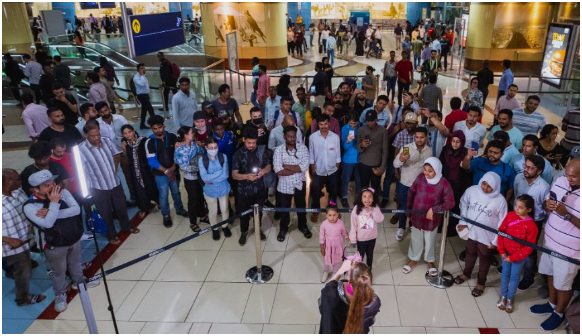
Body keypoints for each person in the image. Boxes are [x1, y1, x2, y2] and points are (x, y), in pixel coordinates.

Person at [22, 170, 99, 313]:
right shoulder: (30, 206)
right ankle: (60, 294)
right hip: (53, 245)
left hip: (72, 237)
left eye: (52, 183)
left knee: (75, 262)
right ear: (36, 189)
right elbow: (48, 224)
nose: (53, 187)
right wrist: (55, 204)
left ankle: (79, 282)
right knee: (58, 271)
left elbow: (76, 210)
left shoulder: (62, 192)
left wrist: (53, 211)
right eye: (46, 185)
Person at [531, 159, 580, 332]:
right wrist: (548, 205)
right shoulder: (560, 181)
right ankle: (551, 304)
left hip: (569, 251)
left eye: (573, 176)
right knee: (550, 275)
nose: (568, 178)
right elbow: (546, 202)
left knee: (563, 284)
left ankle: (559, 313)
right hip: (550, 241)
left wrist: (566, 215)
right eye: (567, 174)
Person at [79, 121, 140, 245]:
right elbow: (83, 173)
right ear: (86, 135)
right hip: (98, 187)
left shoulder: (106, 141)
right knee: (105, 212)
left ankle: (126, 226)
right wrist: (88, 191)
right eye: (93, 136)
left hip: (115, 182)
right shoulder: (81, 150)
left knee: (121, 207)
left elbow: (116, 154)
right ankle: (111, 234)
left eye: (98, 134)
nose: (97, 138)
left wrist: (114, 168)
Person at [454, 172, 508, 297]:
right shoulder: (472, 190)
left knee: (484, 258)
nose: (485, 188)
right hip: (471, 232)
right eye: (484, 183)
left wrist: (495, 241)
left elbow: (502, 223)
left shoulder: (500, 201)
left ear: (495, 187)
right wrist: (463, 221)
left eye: (489, 186)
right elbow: (463, 203)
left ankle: (481, 283)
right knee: (470, 253)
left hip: (487, 236)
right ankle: (466, 274)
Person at [2, 169, 47, 307]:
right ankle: (22, 299)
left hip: (26, 239)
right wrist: (9, 240)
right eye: (18, 179)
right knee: (24, 271)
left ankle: (14, 273)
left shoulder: (18, 192)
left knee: (24, 267)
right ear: (8, 182)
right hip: (12, 247)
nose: (21, 182)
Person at [402, 158, 455, 276]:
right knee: (416, 238)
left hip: (432, 220)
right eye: (425, 170)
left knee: (430, 240)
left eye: (430, 171)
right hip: (417, 216)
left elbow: (450, 202)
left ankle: (429, 260)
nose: (426, 173)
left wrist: (434, 209)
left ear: (437, 170)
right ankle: (414, 258)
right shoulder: (420, 178)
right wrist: (409, 211)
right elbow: (411, 193)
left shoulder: (443, 183)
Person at [145, 115, 189, 228]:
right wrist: (166, 171)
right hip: (160, 174)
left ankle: (179, 209)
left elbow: (177, 153)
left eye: (159, 127)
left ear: (163, 126)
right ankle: (166, 215)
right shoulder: (149, 142)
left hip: (173, 170)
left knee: (176, 191)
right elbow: (151, 161)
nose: (158, 130)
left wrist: (173, 167)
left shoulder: (172, 137)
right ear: (151, 129)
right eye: (154, 128)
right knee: (163, 195)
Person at [513, 155, 550, 291]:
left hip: (533, 222)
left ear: (539, 171)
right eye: (525, 166)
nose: (526, 170)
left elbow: (545, 209)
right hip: (517, 218)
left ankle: (528, 276)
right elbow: (516, 195)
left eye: (530, 168)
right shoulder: (518, 178)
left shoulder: (543, 187)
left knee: (529, 251)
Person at [497, 195, 539, 314]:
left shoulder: (532, 226)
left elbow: (529, 247)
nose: (516, 208)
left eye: (520, 207)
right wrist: (502, 251)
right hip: (505, 253)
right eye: (515, 205)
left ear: (529, 210)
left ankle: (510, 298)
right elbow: (501, 232)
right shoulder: (510, 215)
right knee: (505, 274)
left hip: (519, 257)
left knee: (515, 277)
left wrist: (513, 257)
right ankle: (503, 296)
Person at [232, 127, 271, 246]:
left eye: (254, 142)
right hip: (244, 191)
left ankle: (257, 230)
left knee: (258, 212)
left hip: (259, 189)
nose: (251, 145)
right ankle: (244, 232)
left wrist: (263, 171)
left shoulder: (261, 150)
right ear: (244, 139)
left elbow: (268, 165)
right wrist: (246, 177)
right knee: (244, 213)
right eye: (249, 142)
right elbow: (234, 175)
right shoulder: (238, 154)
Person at [319, 260, 381, 335]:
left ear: (349, 282)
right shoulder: (374, 303)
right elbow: (369, 322)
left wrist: (340, 271)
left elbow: (326, 291)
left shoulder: (332, 297)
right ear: (370, 282)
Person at [393, 127, 432, 242]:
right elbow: (395, 164)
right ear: (414, 137)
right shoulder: (407, 148)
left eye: (422, 137)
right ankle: (401, 227)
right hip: (405, 184)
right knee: (403, 207)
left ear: (426, 137)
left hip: (420, 186)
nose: (419, 140)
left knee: (416, 207)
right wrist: (401, 159)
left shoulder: (429, 150)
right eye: (417, 137)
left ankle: (412, 224)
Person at [274, 126, 311, 241]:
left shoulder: (303, 148)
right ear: (284, 137)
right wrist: (296, 168)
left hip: (299, 183)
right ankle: (283, 228)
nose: (292, 139)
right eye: (289, 136)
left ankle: (302, 226)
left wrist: (286, 166)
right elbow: (278, 170)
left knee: (301, 207)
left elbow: (304, 167)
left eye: (294, 136)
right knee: (285, 209)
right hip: (284, 186)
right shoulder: (279, 150)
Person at [174, 126, 208, 233]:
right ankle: (193, 222)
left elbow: (202, 152)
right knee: (193, 200)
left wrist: (202, 145)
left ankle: (202, 215)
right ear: (185, 135)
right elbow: (183, 166)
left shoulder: (195, 144)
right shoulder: (180, 149)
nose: (193, 134)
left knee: (201, 197)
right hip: (190, 178)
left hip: (200, 176)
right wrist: (199, 168)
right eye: (191, 133)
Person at [121, 125, 158, 219]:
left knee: (151, 186)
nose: (128, 135)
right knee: (139, 191)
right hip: (135, 172)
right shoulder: (126, 145)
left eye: (129, 132)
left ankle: (158, 202)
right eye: (125, 133)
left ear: (133, 131)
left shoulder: (143, 141)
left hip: (146, 170)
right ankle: (144, 208)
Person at [199, 137, 233, 241]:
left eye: (215, 147)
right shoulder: (202, 160)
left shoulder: (223, 157)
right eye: (211, 148)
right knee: (212, 211)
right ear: (206, 147)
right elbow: (204, 177)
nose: (214, 149)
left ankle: (225, 226)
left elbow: (226, 174)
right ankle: (214, 229)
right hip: (210, 190)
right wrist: (219, 172)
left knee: (224, 209)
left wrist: (212, 177)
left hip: (223, 188)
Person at [440, 131, 470, 236]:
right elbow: (440, 164)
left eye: (458, 142)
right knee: (443, 203)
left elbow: (467, 170)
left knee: (455, 205)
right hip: (445, 182)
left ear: (462, 142)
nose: (455, 144)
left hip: (458, 184)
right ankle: (440, 226)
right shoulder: (446, 149)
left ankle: (451, 229)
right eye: (453, 141)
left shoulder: (466, 153)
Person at [357, 110, 389, 200]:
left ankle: (374, 204)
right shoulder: (361, 130)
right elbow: (357, 147)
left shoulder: (383, 131)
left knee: (375, 187)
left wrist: (382, 167)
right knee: (364, 186)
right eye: (367, 121)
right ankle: (363, 203)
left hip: (376, 164)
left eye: (372, 120)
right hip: (363, 163)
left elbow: (385, 150)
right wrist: (361, 145)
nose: (369, 123)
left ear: (376, 120)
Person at [350, 189, 384, 271]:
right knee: (360, 256)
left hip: (372, 238)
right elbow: (353, 225)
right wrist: (353, 239)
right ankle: (359, 271)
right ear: (361, 198)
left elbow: (380, 219)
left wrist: (373, 210)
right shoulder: (356, 209)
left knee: (370, 255)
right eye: (364, 196)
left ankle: (369, 270)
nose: (367, 199)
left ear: (373, 199)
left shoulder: (375, 208)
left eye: (370, 197)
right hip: (361, 239)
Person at [320, 205, 349, 282]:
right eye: (330, 215)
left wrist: (347, 237)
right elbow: (321, 236)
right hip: (328, 246)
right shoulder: (324, 224)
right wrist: (322, 247)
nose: (332, 217)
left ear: (338, 214)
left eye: (334, 215)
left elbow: (343, 231)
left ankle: (334, 273)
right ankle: (326, 272)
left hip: (337, 245)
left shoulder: (340, 223)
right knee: (326, 260)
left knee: (336, 260)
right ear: (326, 215)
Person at [341, 114, 361, 208]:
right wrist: (348, 141)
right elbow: (344, 147)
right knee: (345, 179)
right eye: (351, 123)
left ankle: (358, 198)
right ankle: (344, 197)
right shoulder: (345, 129)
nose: (353, 125)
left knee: (359, 180)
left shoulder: (361, 127)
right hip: (348, 159)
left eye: (354, 123)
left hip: (360, 158)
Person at [133, 63, 156, 130]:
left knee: (144, 111)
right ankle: (156, 123)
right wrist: (142, 75)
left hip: (145, 95)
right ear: (138, 70)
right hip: (142, 96)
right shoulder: (136, 78)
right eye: (141, 68)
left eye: (144, 68)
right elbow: (142, 84)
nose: (143, 69)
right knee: (150, 109)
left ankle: (142, 125)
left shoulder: (143, 76)